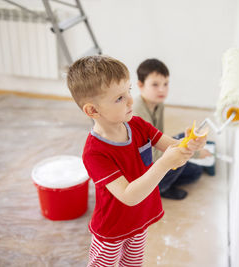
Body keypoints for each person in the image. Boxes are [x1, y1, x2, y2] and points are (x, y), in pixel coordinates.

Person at [66, 55, 206, 267]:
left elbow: (173, 147)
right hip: (111, 230)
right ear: (92, 110)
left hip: (139, 219)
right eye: (119, 98)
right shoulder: (95, 153)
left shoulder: (138, 125)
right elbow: (128, 196)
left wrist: (191, 143)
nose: (131, 100)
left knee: (133, 264)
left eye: (129, 91)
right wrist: (164, 163)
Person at [133, 58, 215, 200]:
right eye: (155, 84)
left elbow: (158, 137)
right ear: (140, 85)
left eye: (165, 84)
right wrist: (193, 153)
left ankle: (162, 182)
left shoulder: (158, 104)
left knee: (195, 172)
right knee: (178, 157)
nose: (162, 89)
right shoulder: (137, 113)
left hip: (153, 152)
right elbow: (151, 154)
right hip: (142, 165)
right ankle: (160, 189)